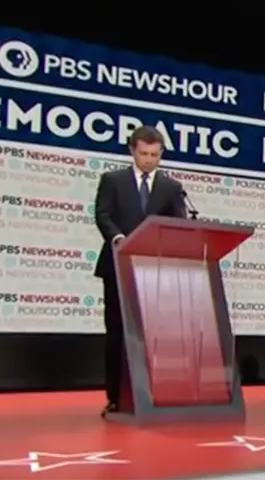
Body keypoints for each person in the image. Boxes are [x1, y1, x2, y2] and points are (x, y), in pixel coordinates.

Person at [93, 125, 186, 417]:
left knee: (153, 334)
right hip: (117, 266)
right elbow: (103, 214)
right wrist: (118, 237)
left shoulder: (171, 188)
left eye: (154, 155)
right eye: (144, 154)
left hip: (155, 269)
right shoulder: (113, 180)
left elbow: (179, 224)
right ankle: (116, 397)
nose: (148, 160)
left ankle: (153, 394)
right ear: (132, 151)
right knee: (117, 332)